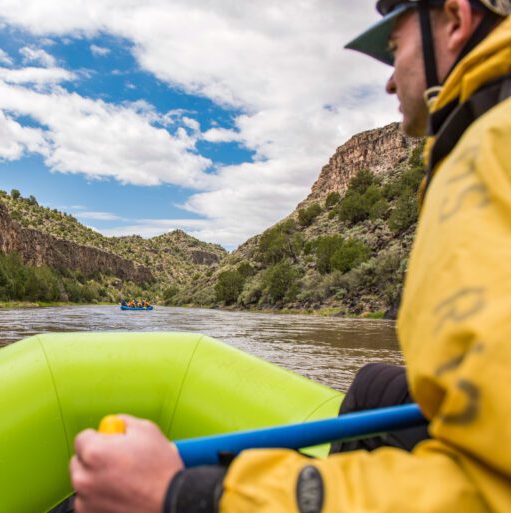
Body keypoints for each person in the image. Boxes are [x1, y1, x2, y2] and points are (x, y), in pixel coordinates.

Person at [69, 0, 511, 512]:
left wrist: (188, 494)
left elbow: (488, 488)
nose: (390, 82)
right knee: (374, 386)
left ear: (455, 21)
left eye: (395, 50)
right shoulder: (481, 133)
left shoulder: (492, 148)